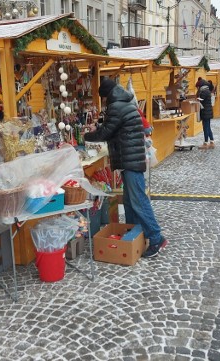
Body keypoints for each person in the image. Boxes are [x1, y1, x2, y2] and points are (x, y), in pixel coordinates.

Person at [84, 79, 168, 258]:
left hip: (130, 161)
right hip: (131, 160)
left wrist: (87, 136)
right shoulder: (126, 103)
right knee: (130, 201)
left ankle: (156, 237)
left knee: (138, 201)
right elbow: (114, 129)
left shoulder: (116, 107)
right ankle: (134, 235)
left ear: (107, 95)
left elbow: (106, 132)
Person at [197, 84, 214, 149]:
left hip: (205, 112)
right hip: (208, 112)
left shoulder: (204, 92)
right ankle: (212, 141)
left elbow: (201, 100)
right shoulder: (208, 91)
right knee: (208, 127)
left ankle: (205, 143)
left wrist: (197, 99)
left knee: (205, 128)